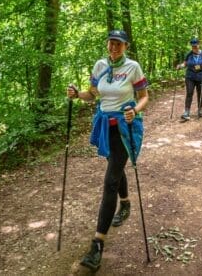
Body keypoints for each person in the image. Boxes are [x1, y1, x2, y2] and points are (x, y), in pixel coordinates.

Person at [66, 29, 149, 272]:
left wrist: (135, 110)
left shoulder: (133, 67)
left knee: (110, 180)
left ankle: (98, 243)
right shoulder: (100, 65)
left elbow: (144, 96)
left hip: (125, 127)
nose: (114, 47)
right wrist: (77, 94)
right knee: (115, 166)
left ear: (126, 46)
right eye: (111, 43)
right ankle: (125, 203)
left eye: (118, 44)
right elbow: (92, 94)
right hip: (104, 127)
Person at [175, 37, 202, 121]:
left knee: (200, 93)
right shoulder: (189, 54)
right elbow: (185, 64)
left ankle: (200, 110)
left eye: (196, 46)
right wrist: (180, 66)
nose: (194, 47)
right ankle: (186, 112)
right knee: (189, 93)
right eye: (193, 46)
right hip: (190, 76)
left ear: (199, 45)